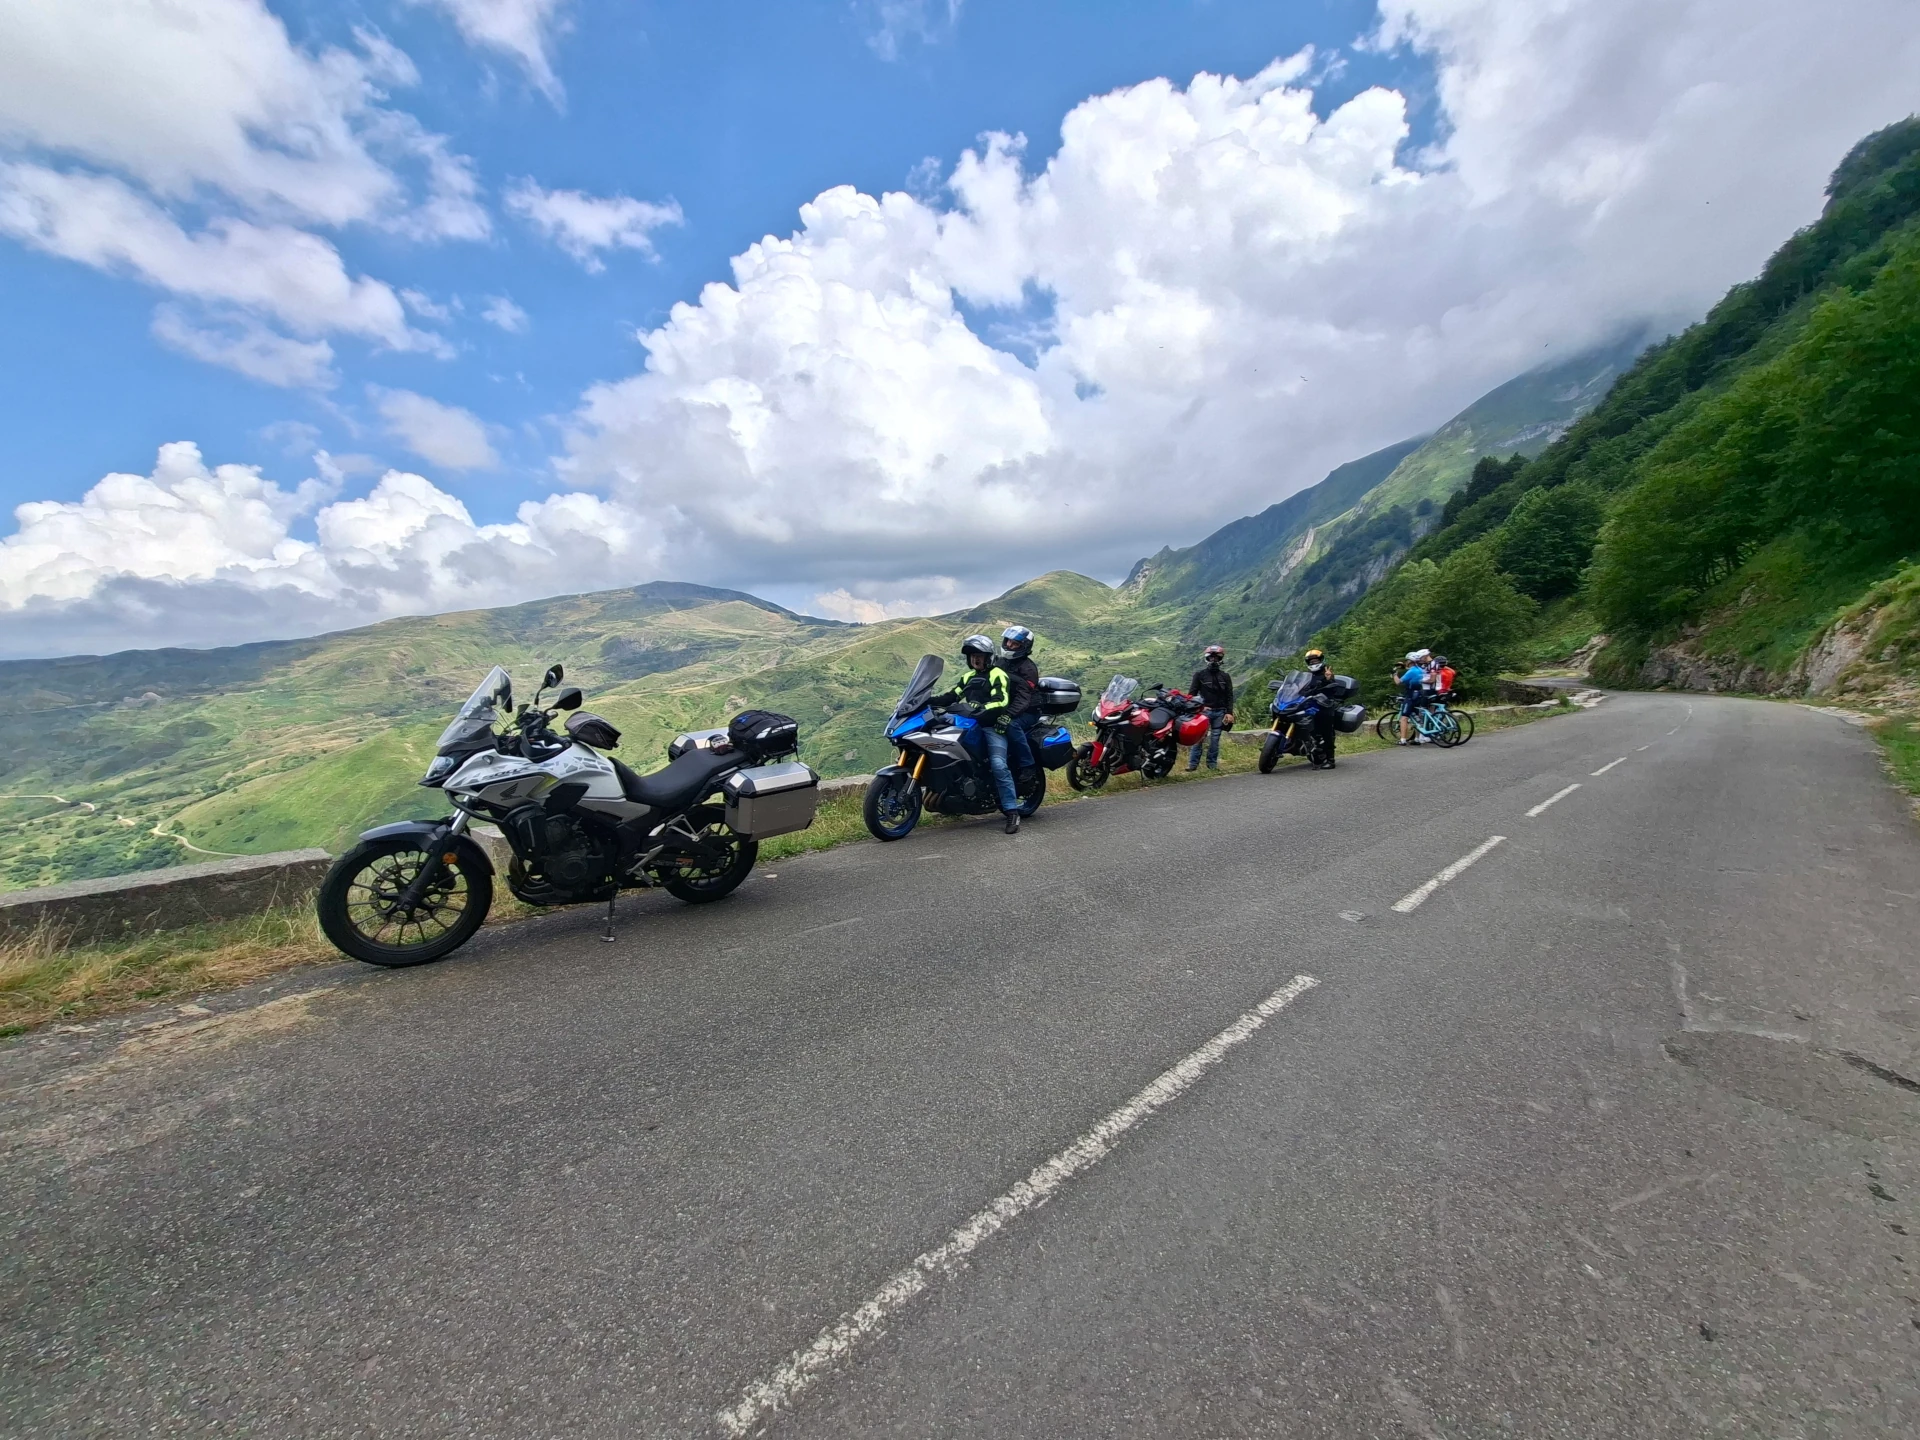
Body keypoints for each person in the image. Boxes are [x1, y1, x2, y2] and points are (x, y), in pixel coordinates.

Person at [931, 634, 1022, 833]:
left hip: (991, 726)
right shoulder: (968, 677)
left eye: (979, 655)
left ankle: (1012, 811)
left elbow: (1002, 700)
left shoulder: (997, 674)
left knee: (998, 764)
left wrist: (981, 708)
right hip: (968, 725)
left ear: (988, 656)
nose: (975, 659)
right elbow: (951, 696)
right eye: (972, 656)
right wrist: (927, 701)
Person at [997, 625, 1042, 780]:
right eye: (1008, 641)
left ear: (1024, 647)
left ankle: (1027, 765)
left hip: (1028, 711)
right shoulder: (1000, 662)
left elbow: (1024, 698)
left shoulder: (1028, 668)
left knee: (1012, 725)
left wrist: (1009, 715)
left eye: (1014, 644)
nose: (1009, 645)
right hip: (1006, 708)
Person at [1186, 644, 1235, 770]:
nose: (1214, 660)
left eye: (1216, 658)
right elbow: (1192, 695)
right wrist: (1198, 708)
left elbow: (1229, 695)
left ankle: (1212, 765)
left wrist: (1229, 713)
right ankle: (1192, 765)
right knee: (1199, 739)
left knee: (1215, 740)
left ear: (1220, 659)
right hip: (1204, 712)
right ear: (1207, 659)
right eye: (1211, 658)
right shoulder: (1199, 675)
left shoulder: (1225, 676)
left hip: (1220, 712)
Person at [1298, 648, 1340, 769]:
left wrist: (1328, 679)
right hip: (1310, 706)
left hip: (1325, 707)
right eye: (1311, 662)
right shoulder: (1307, 676)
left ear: (1321, 661)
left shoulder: (1327, 674)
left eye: (1316, 661)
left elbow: (1333, 690)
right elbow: (1301, 688)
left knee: (1326, 733)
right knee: (1312, 731)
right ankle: (1315, 753)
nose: (1313, 663)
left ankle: (1331, 760)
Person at [1398, 649, 1430, 746]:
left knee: (1404, 718)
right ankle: (1416, 739)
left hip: (1411, 695)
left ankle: (1403, 739)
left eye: (1407, 660)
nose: (1406, 662)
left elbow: (1398, 682)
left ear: (1410, 661)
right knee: (1417, 717)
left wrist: (1394, 674)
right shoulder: (1420, 670)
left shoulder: (1411, 671)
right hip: (1420, 694)